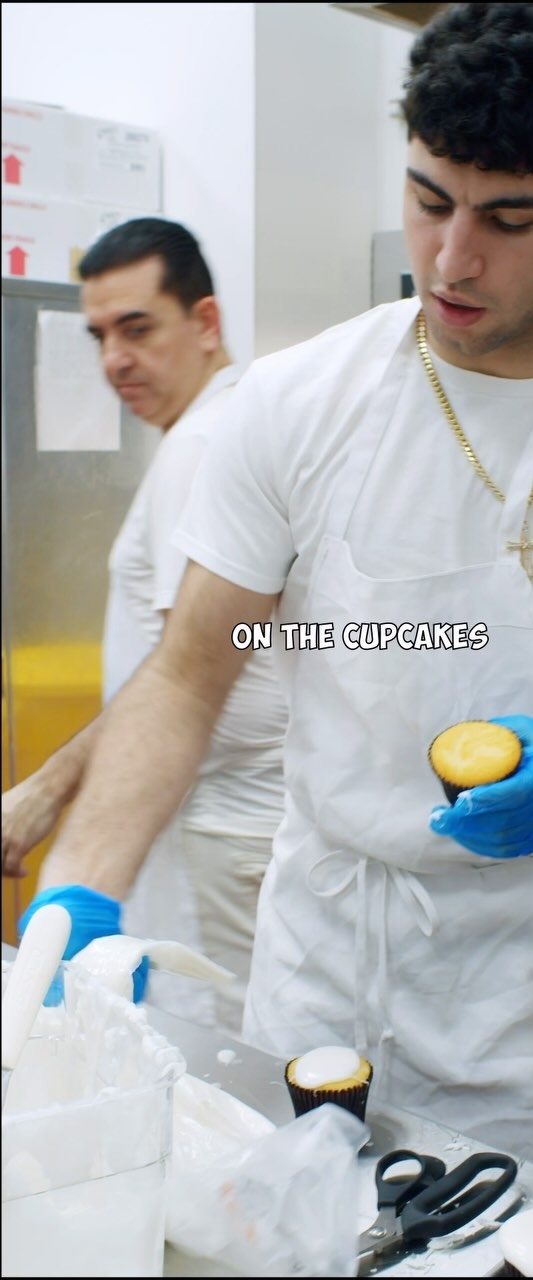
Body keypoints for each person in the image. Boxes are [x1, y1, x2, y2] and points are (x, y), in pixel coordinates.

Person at [16, 3, 533, 1191]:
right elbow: (190, 669)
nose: (452, 259)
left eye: (508, 218)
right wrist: (85, 879)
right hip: (320, 959)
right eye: (429, 198)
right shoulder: (295, 408)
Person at [1, 217, 288, 1034]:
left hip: (215, 825)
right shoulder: (238, 422)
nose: (113, 361)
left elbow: (181, 674)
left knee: (220, 1060)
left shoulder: (201, 447)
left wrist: (46, 791)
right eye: (97, 336)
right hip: (234, 822)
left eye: (137, 328)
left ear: (204, 322)